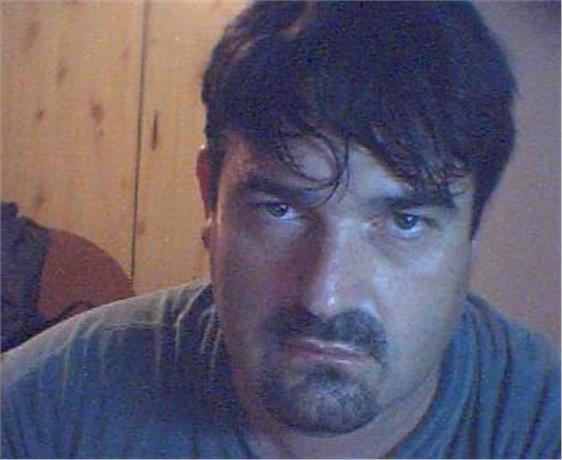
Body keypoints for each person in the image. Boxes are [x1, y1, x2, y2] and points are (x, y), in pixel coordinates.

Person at [2, 2, 560, 458]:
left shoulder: (540, 427)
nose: (325, 296)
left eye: (404, 222)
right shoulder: (44, 412)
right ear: (210, 199)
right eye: (280, 210)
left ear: (473, 227)